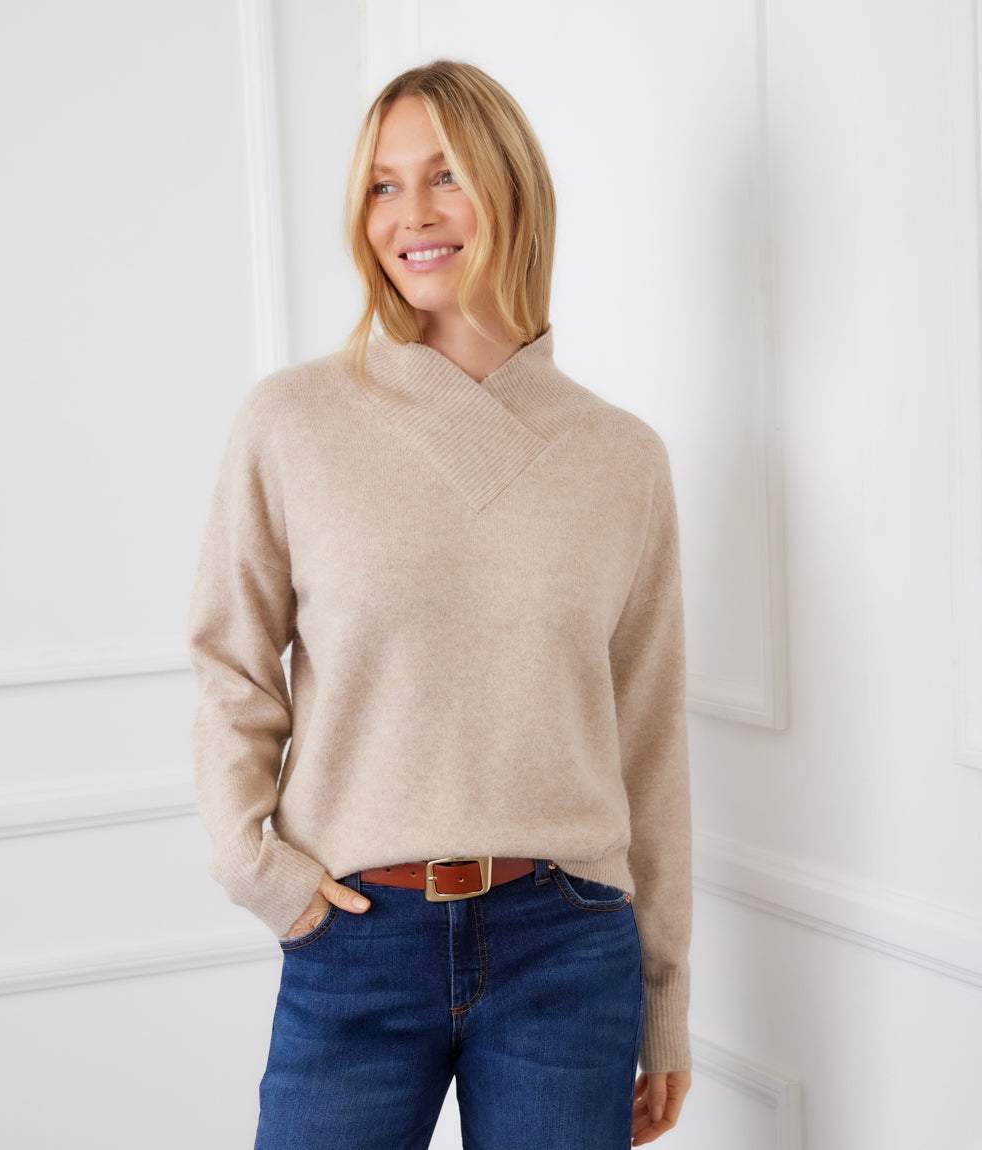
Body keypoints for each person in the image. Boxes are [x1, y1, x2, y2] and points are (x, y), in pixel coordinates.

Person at [186, 58, 693, 1149]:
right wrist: (259, 871)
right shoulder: (292, 423)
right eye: (380, 184)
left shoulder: (620, 459)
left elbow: (648, 741)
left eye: (443, 176)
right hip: (353, 940)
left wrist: (665, 1001)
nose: (408, 213)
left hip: (568, 948)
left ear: (511, 189)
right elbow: (230, 666)